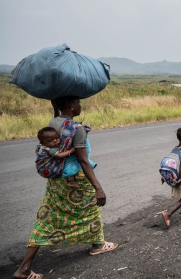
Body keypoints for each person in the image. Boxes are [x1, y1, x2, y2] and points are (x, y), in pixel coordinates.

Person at [14, 96, 117, 279]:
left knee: (48, 215)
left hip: (56, 180)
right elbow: (83, 160)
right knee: (91, 209)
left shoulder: (54, 122)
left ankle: (25, 267)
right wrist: (98, 188)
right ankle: (97, 245)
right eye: (78, 102)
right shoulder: (77, 129)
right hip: (74, 177)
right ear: (71, 105)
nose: (80, 106)